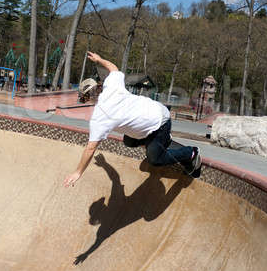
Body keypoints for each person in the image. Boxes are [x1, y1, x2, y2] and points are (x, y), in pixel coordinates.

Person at [63, 52, 201, 188]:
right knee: (129, 141)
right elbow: (113, 68)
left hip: (160, 123)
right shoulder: (111, 85)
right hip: (158, 110)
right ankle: (161, 140)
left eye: (83, 99)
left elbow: (90, 148)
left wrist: (78, 172)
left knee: (155, 159)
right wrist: (99, 60)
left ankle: (191, 153)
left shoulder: (100, 117)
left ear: (87, 98)